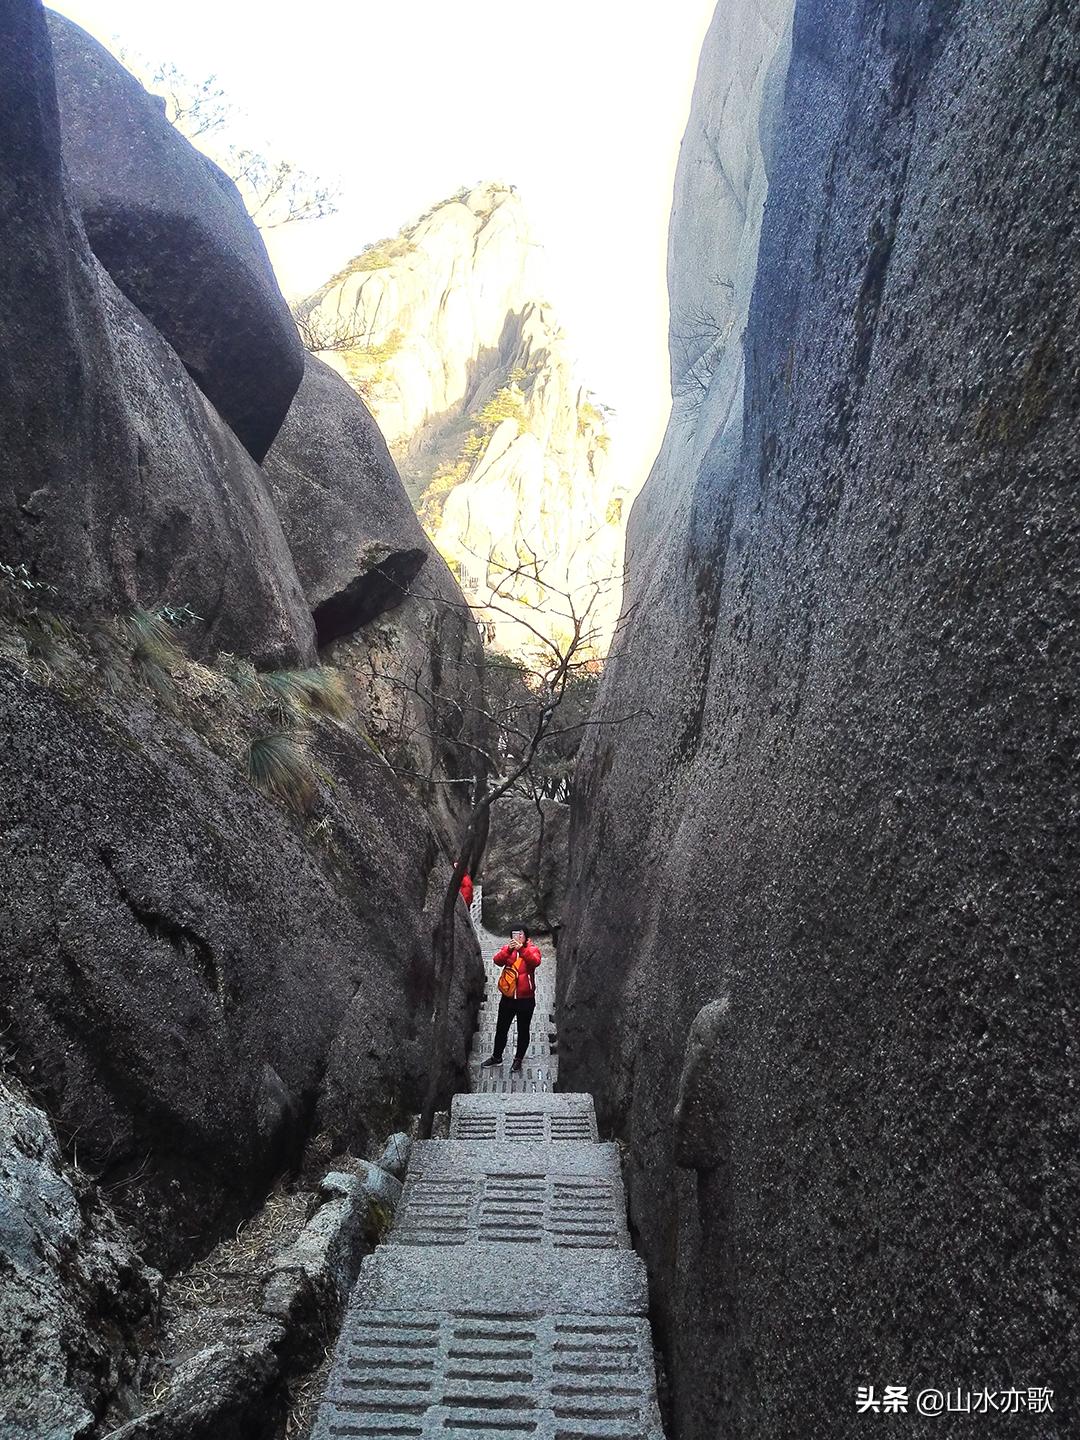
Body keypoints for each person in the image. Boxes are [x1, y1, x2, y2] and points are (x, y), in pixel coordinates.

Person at [480, 927, 542, 1073]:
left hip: (525, 999)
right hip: (508, 998)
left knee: (523, 1030)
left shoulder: (532, 949)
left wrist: (522, 950)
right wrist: (508, 949)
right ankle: (497, 1057)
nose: (518, 937)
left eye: (521, 934)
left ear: (526, 937)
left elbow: (535, 962)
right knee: (501, 1028)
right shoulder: (508, 949)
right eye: (515, 934)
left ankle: (518, 1059)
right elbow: (497, 961)